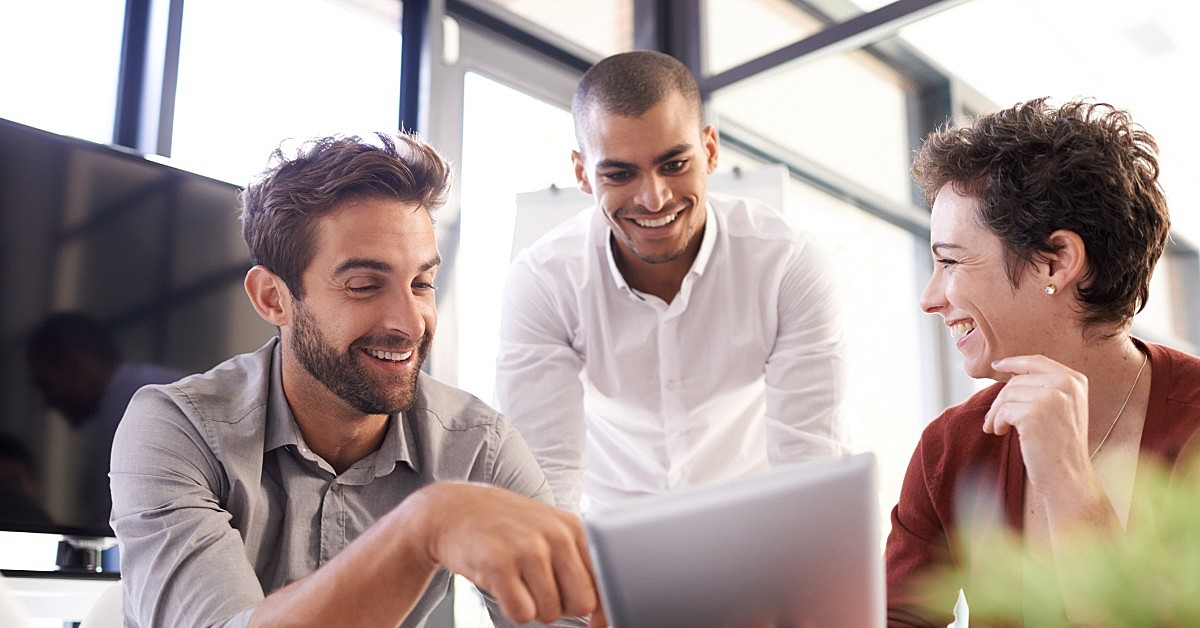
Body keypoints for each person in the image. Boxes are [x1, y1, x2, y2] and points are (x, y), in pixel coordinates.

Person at [109, 133, 603, 627]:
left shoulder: (479, 447)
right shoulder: (176, 430)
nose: (410, 324)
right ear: (272, 298)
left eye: (422, 284)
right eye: (364, 286)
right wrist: (423, 525)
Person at [885, 97, 1200, 626]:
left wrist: (1067, 477)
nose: (930, 297)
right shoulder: (951, 448)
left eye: (951, 262)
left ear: (1055, 262)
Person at [495, 50, 847, 513]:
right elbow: (545, 472)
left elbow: (808, 458)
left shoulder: (788, 264)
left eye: (674, 164)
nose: (654, 198)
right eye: (620, 173)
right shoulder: (542, 282)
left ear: (711, 150)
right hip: (612, 532)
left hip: (754, 521)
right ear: (583, 173)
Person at [25, 311, 184, 530]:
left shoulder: (135, 401)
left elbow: (123, 521)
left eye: (45, 385)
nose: (47, 402)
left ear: (74, 366)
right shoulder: (140, 389)